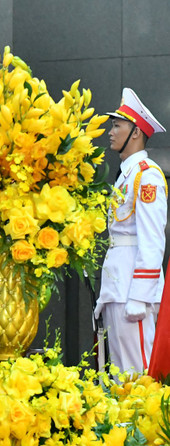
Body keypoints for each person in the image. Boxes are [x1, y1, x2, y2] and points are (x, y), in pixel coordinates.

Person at [95, 87, 167, 375]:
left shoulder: (146, 176)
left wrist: (140, 294)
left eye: (117, 125)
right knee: (119, 374)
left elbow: (152, 240)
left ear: (136, 132)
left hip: (132, 290)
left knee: (138, 373)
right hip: (118, 285)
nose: (111, 132)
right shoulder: (126, 176)